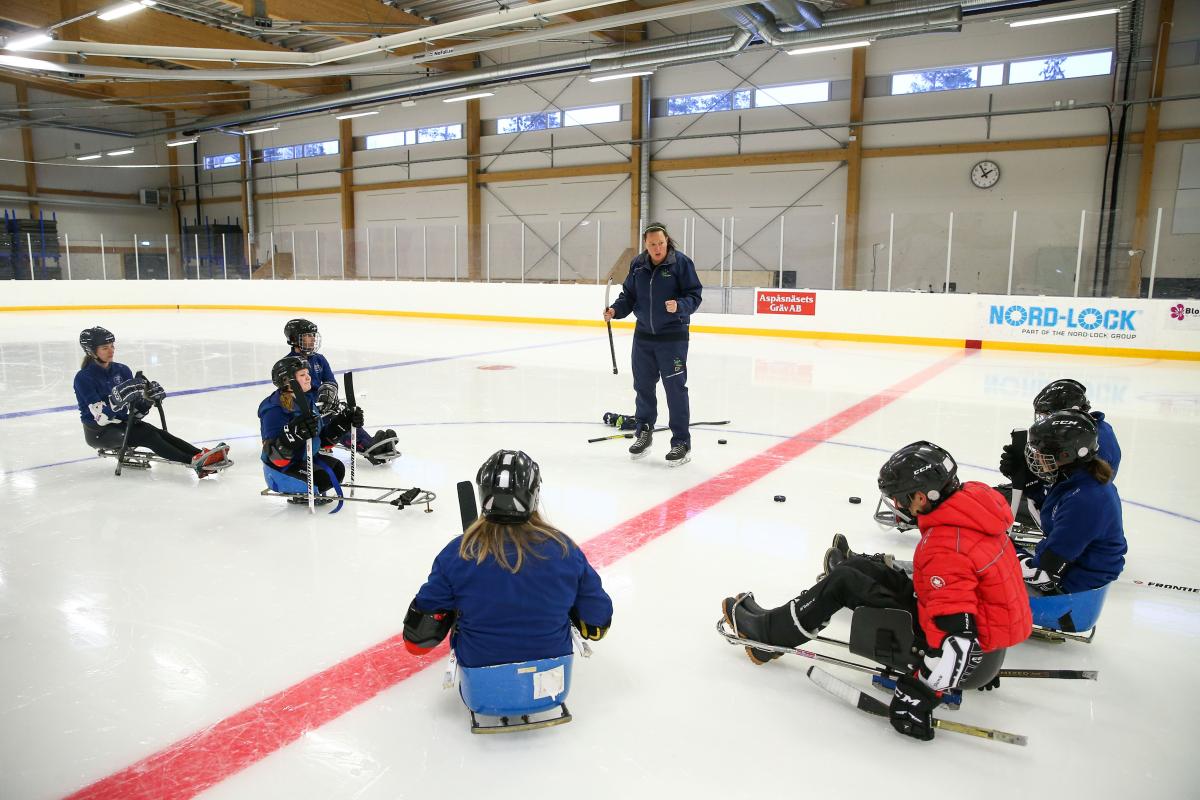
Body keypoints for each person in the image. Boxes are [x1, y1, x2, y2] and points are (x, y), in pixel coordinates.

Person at [722, 441, 1031, 741]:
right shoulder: (973, 508)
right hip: (987, 651)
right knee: (865, 572)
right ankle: (788, 620)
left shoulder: (945, 548)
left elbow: (957, 641)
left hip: (966, 660)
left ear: (923, 497)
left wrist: (920, 695)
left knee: (844, 581)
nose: (898, 506)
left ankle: (767, 637)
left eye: (901, 498)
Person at [403, 449, 613, 668]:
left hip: (479, 681)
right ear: (534, 495)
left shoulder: (457, 553)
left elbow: (416, 643)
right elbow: (597, 626)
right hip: (553, 677)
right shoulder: (564, 550)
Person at [603, 223, 703, 466]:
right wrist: (616, 310)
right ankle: (643, 434)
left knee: (675, 391)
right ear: (645, 245)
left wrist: (680, 306)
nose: (657, 248)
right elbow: (629, 296)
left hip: (673, 337)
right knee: (643, 388)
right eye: (652, 244)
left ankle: (681, 442)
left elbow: (694, 295)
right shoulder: (638, 265)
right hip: (644, 337)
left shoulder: (681, 263)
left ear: (667, 240)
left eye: (660, 243)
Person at [74, 326, 229, 478]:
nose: (111, 350)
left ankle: (201, 455)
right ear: (91, 351)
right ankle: (193, 461)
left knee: (158, 433)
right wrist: (116, 401)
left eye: (112, 346)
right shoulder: (83, 378)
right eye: (104, 347)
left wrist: (148, 400)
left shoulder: (122, 370)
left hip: (121, 423)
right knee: (147, 435)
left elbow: (135, 412)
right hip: (98, 432)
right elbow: (100, 419)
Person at [1018, 410, 1126, 594]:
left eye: (1042, 454)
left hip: (1072, 592)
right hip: (1077, 572)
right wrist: (1032, 486)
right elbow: (1054, 517)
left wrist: (1010, 552)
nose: (1036, 458)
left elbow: (1044, 574)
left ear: (1066, 455)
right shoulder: (1079, 480)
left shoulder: (1085, 500)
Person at [998, 378, 1121, 527]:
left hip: (1068, 510)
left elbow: (1068, 490)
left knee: (994, 501)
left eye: (1048, 415)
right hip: (1064, 500)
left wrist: (1029, 480)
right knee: (995, 497)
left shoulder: (1093, 441)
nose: (1044, 420)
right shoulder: (1089, 432)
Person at [283, 318, 398, 465]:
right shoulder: (287, 364)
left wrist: (328, 395)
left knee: (346, 414)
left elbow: (330, 381)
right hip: (307, 411)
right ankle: (368, 446)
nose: (312, 339)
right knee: (335, 420)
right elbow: (289, 393)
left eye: (313, 335)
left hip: (323, 405)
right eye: (307, 335)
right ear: (294, 339)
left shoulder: (319, 359)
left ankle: (368, 441)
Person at [258, 355, 358, 503]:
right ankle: (296, 489)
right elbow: (274, 454)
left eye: (308, 374)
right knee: (322, 478)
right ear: (287, 380)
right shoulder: (273, 408)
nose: (308, 378)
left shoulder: (306, 400)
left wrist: (341, 424)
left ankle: (307, 487)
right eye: (302, 375)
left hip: (303, 459)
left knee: (336, 470)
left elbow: (320, 439)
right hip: (279, 471)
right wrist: (295, 433)